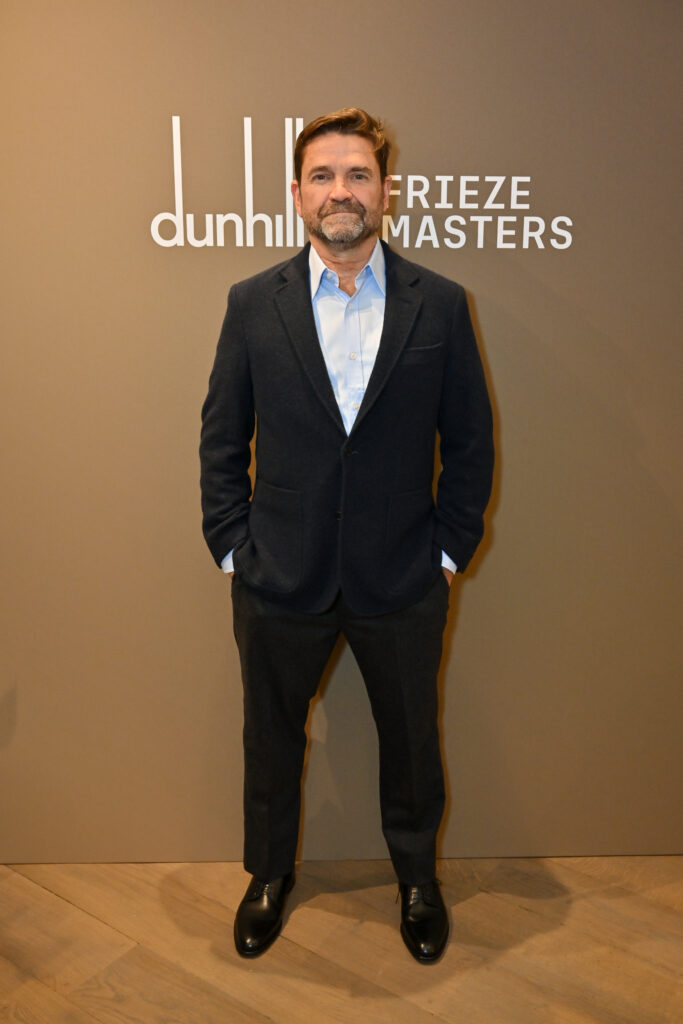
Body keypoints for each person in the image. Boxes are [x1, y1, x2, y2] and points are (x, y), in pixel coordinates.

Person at [200, 108, 494, 963]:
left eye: (358, 175)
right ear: (297, 194)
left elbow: (469, 442)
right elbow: (222, 436)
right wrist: (233, 547)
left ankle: (416, 880)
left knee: (411, 741)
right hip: (277, 575)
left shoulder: (440, 303)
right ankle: (267, 876)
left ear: (385, 192)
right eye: (323, 176)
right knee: (269, 739)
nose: (341, 191)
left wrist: (446, 555)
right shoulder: (252, 303)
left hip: (401, 577)